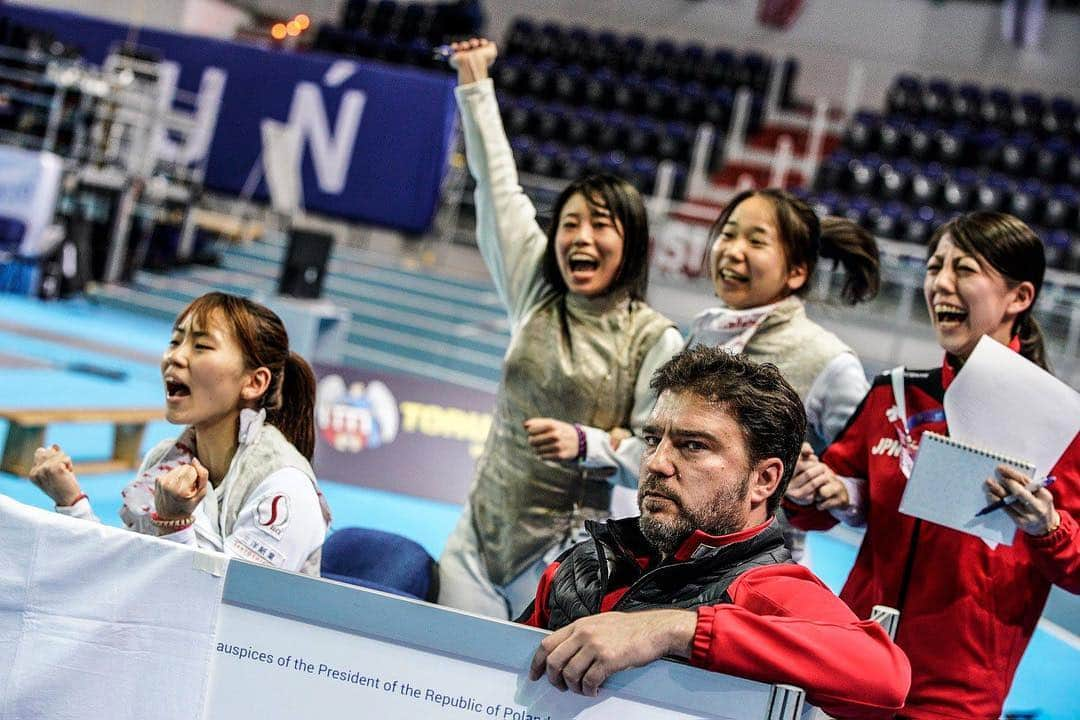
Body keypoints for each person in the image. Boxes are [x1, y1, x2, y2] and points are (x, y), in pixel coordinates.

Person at [784, 211, 1079, 719]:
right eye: (934, 266)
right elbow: (820, 507)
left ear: (1019, 297)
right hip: (853, 659)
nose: (940, 283)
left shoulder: (1062, 426)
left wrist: (1047, 527)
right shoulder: (894, 393)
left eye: (964, 269)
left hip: (955, 696)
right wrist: (813, 490)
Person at [521, 346, 911, 719]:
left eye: (693, 445)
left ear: (764, 479)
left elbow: (884, 677)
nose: (657, 463)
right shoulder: (581, 565)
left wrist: (672, 629)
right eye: (653, 440)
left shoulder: (768, 589)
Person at [437, 38, 684, 619]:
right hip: (475, 540)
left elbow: (660, 455)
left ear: (633, 245)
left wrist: (589, 443)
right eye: (569, 223)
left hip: (565, 557)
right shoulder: (535, 294)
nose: (581, 237)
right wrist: (474, 82)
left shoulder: (655, 339)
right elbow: (498, 187)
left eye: (600, 225)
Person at [28, 292, 332, 576]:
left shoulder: (284, 487)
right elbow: (120, 577)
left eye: (201, 346)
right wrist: (71, 501)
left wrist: (176, 524)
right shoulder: (165, 459)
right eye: (175, 342)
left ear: (254, 383)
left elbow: (225, 612)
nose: (174, 357)